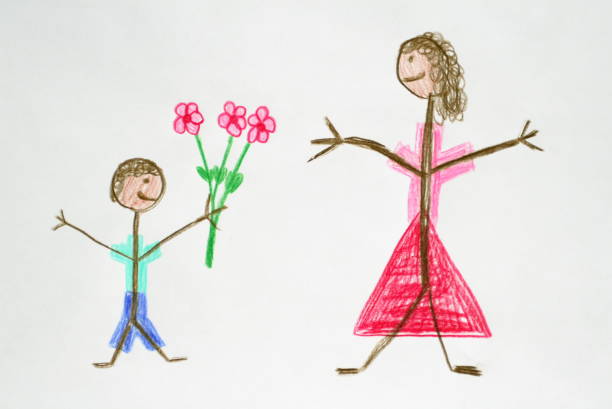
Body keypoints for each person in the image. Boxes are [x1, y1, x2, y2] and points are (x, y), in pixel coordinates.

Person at [310, 32, 542, 376]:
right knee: (421, 287)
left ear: (435, 70)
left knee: (426, 287)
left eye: (416, 74)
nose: (412, 83)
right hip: (419, 223)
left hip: (423, 224)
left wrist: (514, 142)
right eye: (407, 79)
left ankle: (405, 362)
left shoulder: (434, 121)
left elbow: (443, 161)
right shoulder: (425, 122)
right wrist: (349, 141)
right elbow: (400, 156)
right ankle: (376, 362)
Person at [53, 158, 224, 368]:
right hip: (132, 291)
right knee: (133, 319)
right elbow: (106, 245)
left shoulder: (139, 246)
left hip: (137, 291)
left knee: (134, 319)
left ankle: (144, 354)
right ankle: (144, 354)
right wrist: (71, 226)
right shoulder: (129, 245)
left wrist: (201, 219)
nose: (145, 190)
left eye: (148, 182)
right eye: (140, 182)